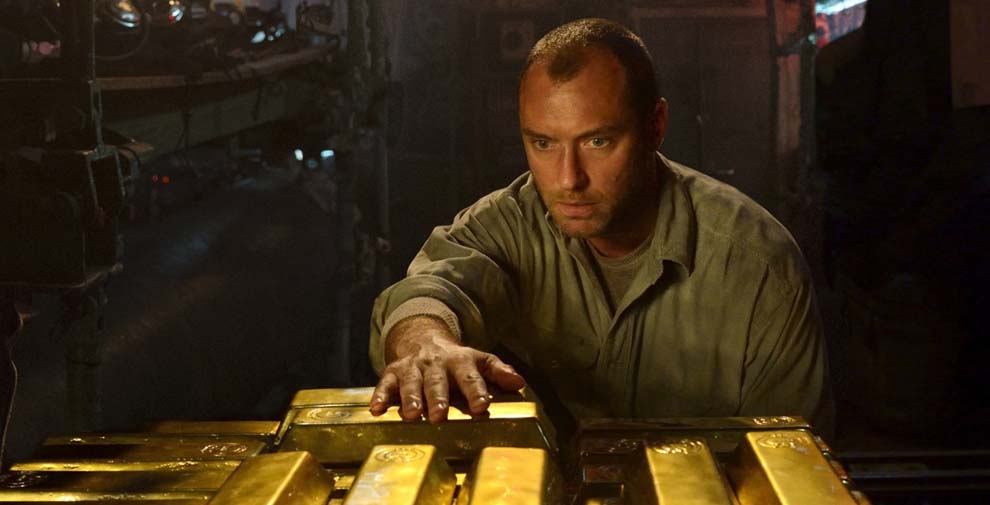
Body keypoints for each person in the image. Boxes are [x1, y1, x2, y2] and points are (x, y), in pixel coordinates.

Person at [367, 18, 831, 429]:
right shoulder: (507, 223)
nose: (568, 179)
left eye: (598, 142)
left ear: (655, 126)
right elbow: (431, 288)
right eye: (543, 144)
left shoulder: (758, 267)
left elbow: (789, 457)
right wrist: (426, 342)